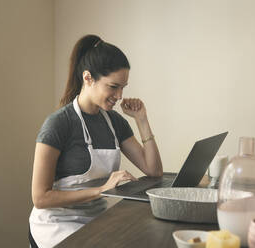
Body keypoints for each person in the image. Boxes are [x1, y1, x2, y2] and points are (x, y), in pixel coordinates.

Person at [29, 34, 163, 248]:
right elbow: (40, 198)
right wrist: (101, 189)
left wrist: (142, 119)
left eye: (123, 87)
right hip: (56, 224)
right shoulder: (58, 124)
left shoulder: (115, 122)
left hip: (95, 218)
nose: (119, 95)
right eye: (113, 86)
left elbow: (153, 170)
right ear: (88, 78)